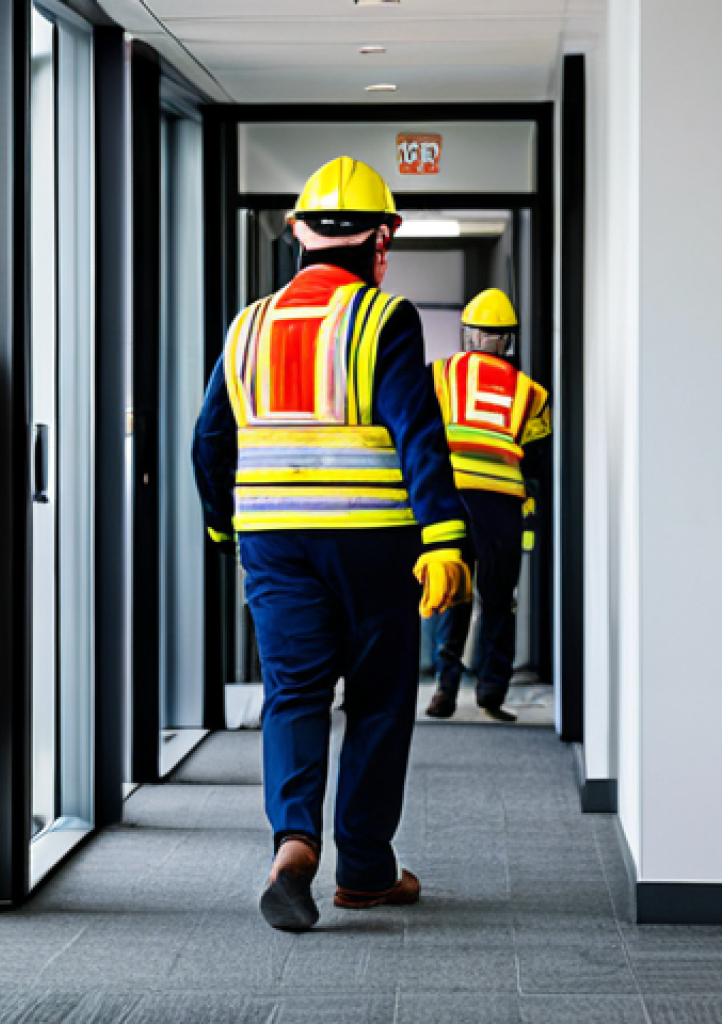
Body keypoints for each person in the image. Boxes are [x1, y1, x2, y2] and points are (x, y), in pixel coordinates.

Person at [193, 156, 472, 932]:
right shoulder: (383, 318)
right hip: (374, 547)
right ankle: (365, 868)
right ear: (382, 239)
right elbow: (420, 434)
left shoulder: (248, 323)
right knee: (380, 701)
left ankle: (292, 847)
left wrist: (226, 525)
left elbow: (210, 439)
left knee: (293, 694)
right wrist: (446, 537)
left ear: (297, 232)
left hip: (274, 548)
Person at [426, 288, 551, 723]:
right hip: (500, 503)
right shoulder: (529, 392)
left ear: (469, 335)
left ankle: (444, 689)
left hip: (450, 496)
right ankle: (491, 693)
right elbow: (538, 458)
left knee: (454, 590)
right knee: (499, 599)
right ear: (508, 341)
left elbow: (417, 432)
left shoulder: (440, 374)